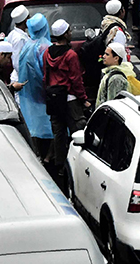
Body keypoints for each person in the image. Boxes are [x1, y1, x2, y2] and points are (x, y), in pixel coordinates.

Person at [43, 19, 88, 183]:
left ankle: (59, 165)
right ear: (64, 34)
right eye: (69, 31)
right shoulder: (71, 55)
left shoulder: (47, 53)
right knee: (78, 133)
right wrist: (84, 99)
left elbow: (45, 76)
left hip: (54, 99)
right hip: (70, 100)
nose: (71, 33)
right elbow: (76, 80)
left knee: (59, 133)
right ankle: (75, 166)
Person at [17, 13, 53, 158]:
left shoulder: (27, 46)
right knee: (48, 124)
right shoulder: (46, 47)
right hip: (43, 93)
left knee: (35, 123)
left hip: (30, 93)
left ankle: (36, 151)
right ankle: (47, 156)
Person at [95, 42, 138, 107]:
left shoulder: (116, 79)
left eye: (107, 54)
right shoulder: (111, 72)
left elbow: (112, 105)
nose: (103, 56)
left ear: (116, 58)